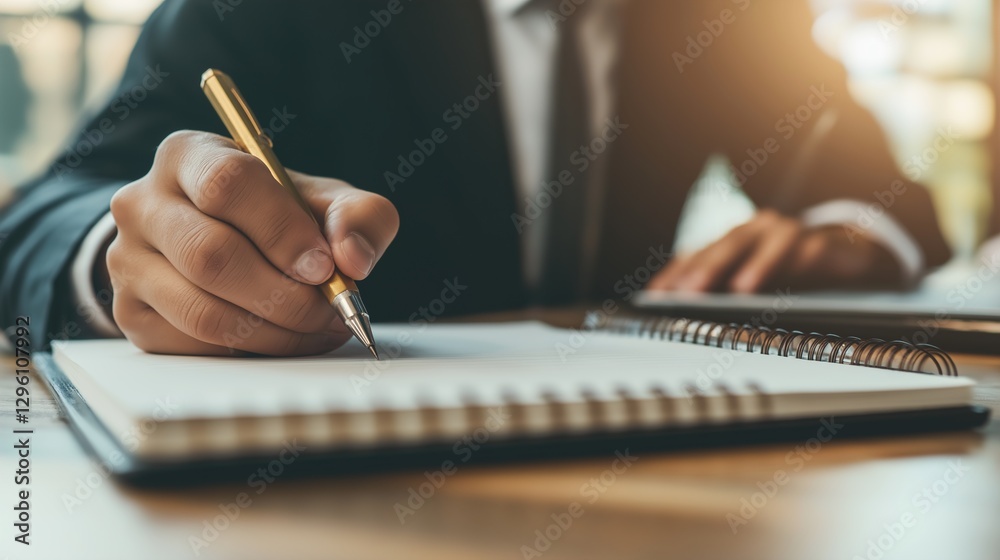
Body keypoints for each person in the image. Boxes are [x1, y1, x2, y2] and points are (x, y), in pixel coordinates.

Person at [0, 0, 951, 355]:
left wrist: (852, 235)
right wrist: (126, 251)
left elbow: (890, 198)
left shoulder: (719, 20)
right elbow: (44, 218)